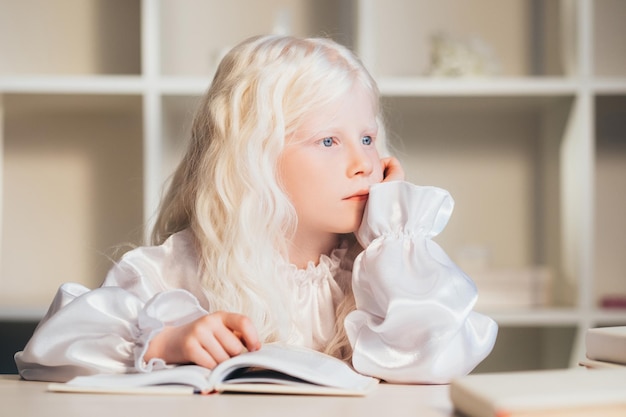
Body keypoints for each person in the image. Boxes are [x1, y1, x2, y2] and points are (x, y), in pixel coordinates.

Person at [15, 35, 497, 384]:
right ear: (253, 158)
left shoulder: (385, 267)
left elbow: (440, 353)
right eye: (329, 140)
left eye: (368, 138)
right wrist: (167, 342)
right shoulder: (181, 269)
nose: (364, 163)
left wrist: (397, 237)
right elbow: (51, 348)